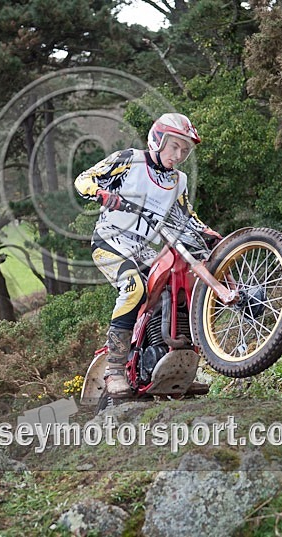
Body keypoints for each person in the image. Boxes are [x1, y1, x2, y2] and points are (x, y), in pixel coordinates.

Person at [74, 112, 221, 399]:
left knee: (176, 288)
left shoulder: (179, 181)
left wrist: (210, 233)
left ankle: (175, 366)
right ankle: (114, 370)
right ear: (158, 140)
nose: (178, 154)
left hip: (143, 249)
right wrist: (103, 194)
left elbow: (186, 216)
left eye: (184, 149)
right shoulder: (130, 160)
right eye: (174, 146)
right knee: (134, 288)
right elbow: (84, 179)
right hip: (109, 241)